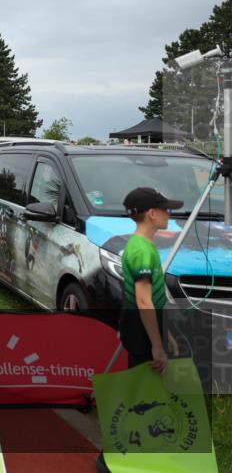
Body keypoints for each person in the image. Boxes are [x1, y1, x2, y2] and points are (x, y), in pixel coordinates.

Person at [95, 186, 183, 473]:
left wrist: (164, 332)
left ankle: (128, 453)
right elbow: (144, 300)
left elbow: (152, 300)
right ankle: (111, 458)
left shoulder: (141, 246)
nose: (170, 213)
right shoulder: (142, 251)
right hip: (140, 328)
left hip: (143, 326)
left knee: (146, 393)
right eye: (167, 209)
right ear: (152, 214)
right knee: (142, 394)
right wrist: (156, 344)